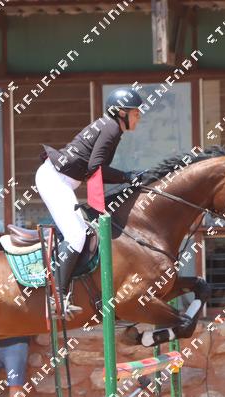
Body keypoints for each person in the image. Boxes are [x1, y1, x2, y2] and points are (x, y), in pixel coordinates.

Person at [36, 85, 144, 317]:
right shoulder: (111, 128)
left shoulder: (110, 126)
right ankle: (55, 299)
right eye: (136, 112)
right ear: (122, 113)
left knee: (82, 232)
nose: (139, 117)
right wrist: (127, 176)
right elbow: (96, 167)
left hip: (60, 180)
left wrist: (127, 177)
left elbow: (95, 169)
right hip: (54, 179)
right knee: (77, 235)